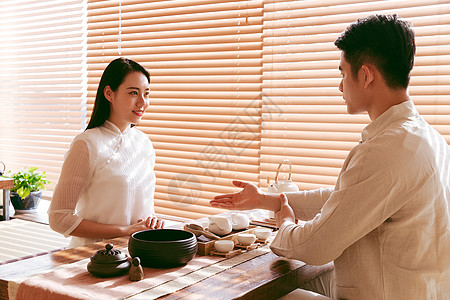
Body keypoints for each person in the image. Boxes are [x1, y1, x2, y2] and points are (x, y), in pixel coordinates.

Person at [210, 14, 450, 300]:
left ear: (365, 75)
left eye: (342, 73)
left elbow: (315, 247)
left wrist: (284, 223)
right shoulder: (430, 139)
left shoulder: (385, 149)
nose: (339, 87)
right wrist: (268, 200)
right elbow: (347, 199)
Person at [49, 57, 164, 248]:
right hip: (92, 259)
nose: (142, 102)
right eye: (133, 93)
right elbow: (59, 218)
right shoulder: (86, 144)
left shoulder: (143, 142)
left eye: (147, 93)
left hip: (137, 253)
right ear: (109, 93)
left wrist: (151, 221)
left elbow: (137, 207)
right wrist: (123, 231)